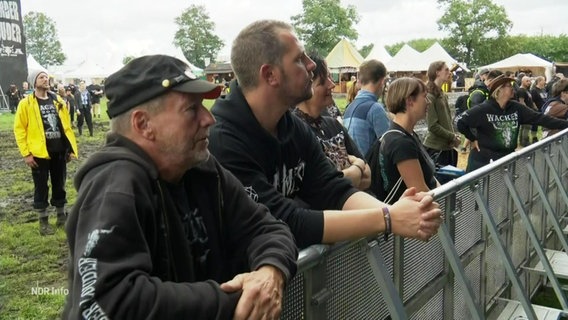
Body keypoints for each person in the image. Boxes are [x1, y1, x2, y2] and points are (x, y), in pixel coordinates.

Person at [63, 55, 297, 319]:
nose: (209, 119)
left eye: (204, 107)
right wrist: (234, 299)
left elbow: (267, 228)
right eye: (191, 109)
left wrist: (270, 271)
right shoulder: (115, 186)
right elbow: (109, 302)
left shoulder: (204, 170)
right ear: (143, 124)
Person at [209, 20, 442, 249]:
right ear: (270, 75)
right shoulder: (224, 141)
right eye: (299, 59)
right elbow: (284, 221)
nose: (311, 65)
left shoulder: (292, 127)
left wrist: (393, 213)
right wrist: (388, 219)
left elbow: (333, 190)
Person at [456, 74, 568, 172]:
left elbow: (541, 118)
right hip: (482, 163)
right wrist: (472, 137)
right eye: (509, 86)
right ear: (499, 90)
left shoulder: (516, 108)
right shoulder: (484, 109)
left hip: (506, 160)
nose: (513, 88)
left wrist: (565, 124)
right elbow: (460, 122)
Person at [13, 69, 78, 235]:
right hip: (38, 154)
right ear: (34, 82)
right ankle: (43, 221)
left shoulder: (58, 101)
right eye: (41, 77)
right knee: (41, 187)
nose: (45, 79)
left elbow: (66, 126)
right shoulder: (26, 103)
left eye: (46, 77)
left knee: (60, 184)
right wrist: (26, 154)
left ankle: (61, 216)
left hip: (59, 151)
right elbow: (19, 130)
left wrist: (69, 149)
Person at [293, 53, 370, 190]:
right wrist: (357, 165)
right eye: (323, 81)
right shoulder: (296, 131)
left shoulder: (333, 124)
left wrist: (346, 177)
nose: (332, 85)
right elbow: (323, 188)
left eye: (329, 77)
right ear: (305, 86)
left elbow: (368, 177)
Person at [377, 77, 439, 203]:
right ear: (410, 100)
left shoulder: (406, 135)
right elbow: (421, 192)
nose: (428, 102)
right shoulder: (401, 143)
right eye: (424, 96)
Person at [343, 59, 391, 155]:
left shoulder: (349, 107)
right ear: (382, 82)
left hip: (356, 166)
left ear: (360, 81)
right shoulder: (375, 108)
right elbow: (389, 147)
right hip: (369, 167)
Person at [423, 61, 460, 168]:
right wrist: (452, 136)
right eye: (446, 70)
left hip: (446, 148)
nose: (450, 73)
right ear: (437, 72)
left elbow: (446, 121)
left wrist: (453, 137)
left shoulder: (441, 94)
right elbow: (432, 126)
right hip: (436, 149)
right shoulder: (429, 95)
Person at [517, 76, 538, 146]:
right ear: (522, 81)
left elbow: (531, 101)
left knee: (525, 127)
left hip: (529, 110)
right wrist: (527, 111)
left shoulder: (527, 90)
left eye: (529, 81)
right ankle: (524, 142)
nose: (529, 83)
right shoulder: (521, 90)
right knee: (526, 127)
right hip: (525, 112)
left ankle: (522, 141)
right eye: (527, 81)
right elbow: (521, 102)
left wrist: (535, 108)